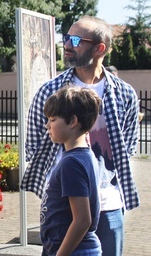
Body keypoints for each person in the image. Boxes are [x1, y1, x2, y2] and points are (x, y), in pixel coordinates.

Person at [22, 16, 140, 256]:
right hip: (63, 207)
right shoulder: (50, 91)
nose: (66, 44)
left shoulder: (125, 94)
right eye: (66, 37)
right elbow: (33, 145)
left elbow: (127, 148)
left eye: (76, 40)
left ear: (100, 48)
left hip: (108, 206)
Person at [40, 86, 102, 256]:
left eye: (52, 120)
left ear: (73, 122)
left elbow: (82, 220)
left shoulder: (72, 163)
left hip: (75, 250)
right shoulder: (82, 155)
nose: (47, 125)